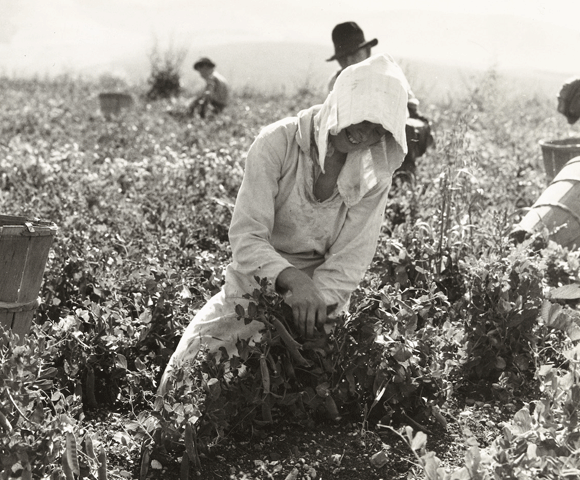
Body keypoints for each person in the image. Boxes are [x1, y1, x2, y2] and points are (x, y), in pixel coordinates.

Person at [159, 54, 410, 393]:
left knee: (331, 386)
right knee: (181, 384)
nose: (364, 133)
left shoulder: (371, 172)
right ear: (340, 103)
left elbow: (352, 256)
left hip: (323, 298)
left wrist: (314, 300)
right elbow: (247, 239)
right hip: (256, 284)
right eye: (361, 116)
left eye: (377, 129)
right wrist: (292, 281)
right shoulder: (277, 142)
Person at [326, 22, 432, 179]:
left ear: (367, 51)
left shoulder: (387, 74)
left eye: (354, 55)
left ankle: (405, 180)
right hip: (360, 130)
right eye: (343, 58)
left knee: (401, 131)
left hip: (401, 122)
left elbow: (404, 111)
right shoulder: (336, 81)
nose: (349, 62)